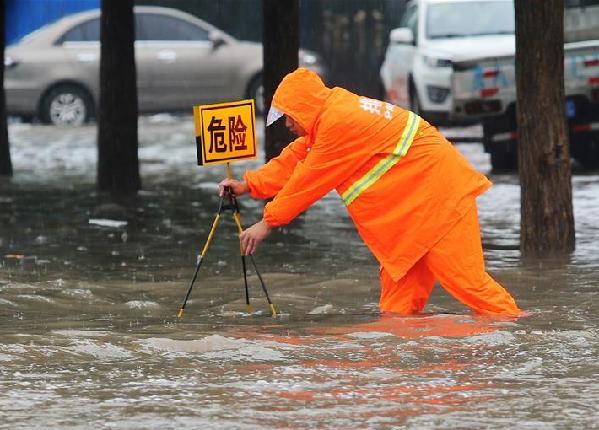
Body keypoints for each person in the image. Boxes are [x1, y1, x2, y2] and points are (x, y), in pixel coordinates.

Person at [219, 67, 521, 316]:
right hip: (414, 215)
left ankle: (523, 336)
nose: (287, 124)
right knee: (396, 311)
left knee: (470, 286)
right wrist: (249, 185)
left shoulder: (338, 122)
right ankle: (399, 381)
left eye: (289, 116)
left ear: (304, 108)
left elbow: (308, 180)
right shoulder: (331, 115)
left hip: (439, 201)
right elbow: (298, 157)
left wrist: (267, 222)